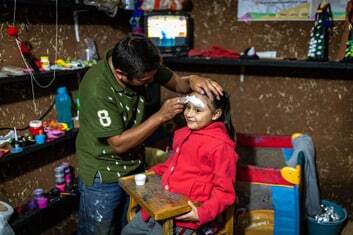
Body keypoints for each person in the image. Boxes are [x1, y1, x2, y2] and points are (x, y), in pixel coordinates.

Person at [76, 34, 223, 235]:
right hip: (103, 170)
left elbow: (179, 84)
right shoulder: (97, 89)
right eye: (146, 79)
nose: (153, 81)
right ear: (120, 74)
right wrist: (161, 116)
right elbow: (118, 144)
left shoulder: (141, 62)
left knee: (125, 227)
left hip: (135, 167)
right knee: (100, 230)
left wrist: (194, 79)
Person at [121, 91, 238, 235]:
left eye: (197, 110)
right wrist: (153, 172)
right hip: (159, 206)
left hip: (183, 218)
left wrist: (201, 214)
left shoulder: (221, 146)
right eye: (187, 107)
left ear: (215, 114)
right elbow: (174, 164)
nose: (189, 114)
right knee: (128, 231)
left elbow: (225, 192)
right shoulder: (183, 133)